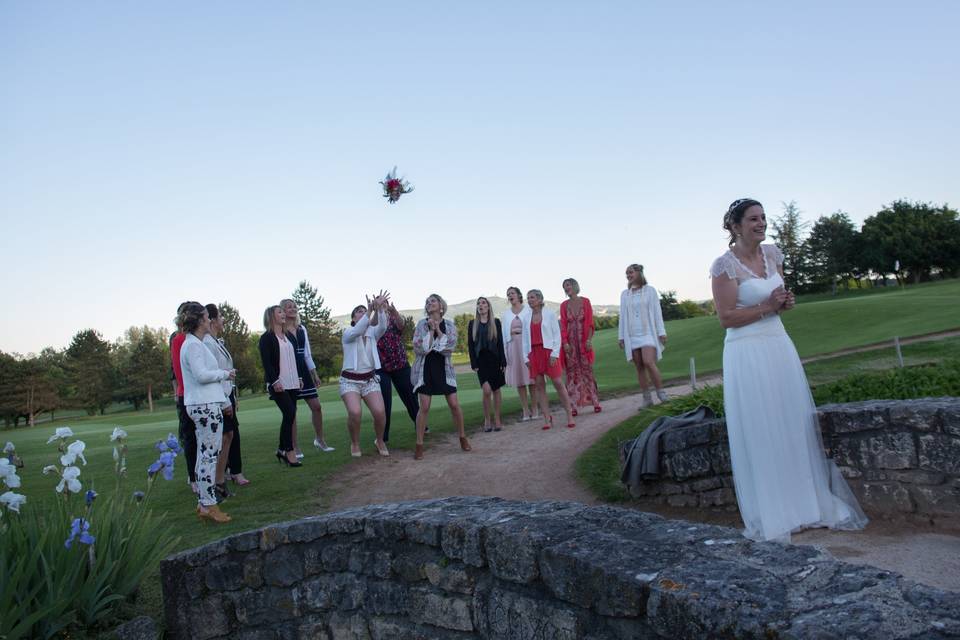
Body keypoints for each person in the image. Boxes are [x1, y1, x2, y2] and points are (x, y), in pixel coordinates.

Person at [711, 197, 867, 542]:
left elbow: (774, 298)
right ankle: (775, 511)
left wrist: (783, 303)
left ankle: (806, 505)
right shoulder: (724, 265)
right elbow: (726, 318)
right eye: (753, 219)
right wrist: (768, 307)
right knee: (762, 426)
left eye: (763, 217)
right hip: (746, 352)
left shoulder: (773, 254)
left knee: (790, 421)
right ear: (736, 226)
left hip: (778, 344)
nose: (761, 223)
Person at [179, 303, 235, 523]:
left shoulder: (195, 344)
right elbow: (201, 375)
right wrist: (224, 374)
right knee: (209, 456)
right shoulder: (193, 346)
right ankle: (208, 504)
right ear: (200, 320)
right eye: (205, 316)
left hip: (206, 403)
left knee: (207, 455)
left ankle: (206, 503)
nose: (209, 320)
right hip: (204, 405)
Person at [411, 293, 472, 459]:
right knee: (424, 407)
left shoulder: (450, 325)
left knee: (454, 404)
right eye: (428, 302)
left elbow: (449, 348)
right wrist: (431, 331)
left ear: (440, 305)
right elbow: (420, 348)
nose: (430, 303)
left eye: (433, 301)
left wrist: (437, 329)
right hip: (425, 369)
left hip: (444, 369)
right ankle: (419, 444)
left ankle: (462, 437)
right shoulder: (421, 325)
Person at [340, 292, 391, 458]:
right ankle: (354, 443)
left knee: (380, 413)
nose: (363, 312)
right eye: (359, 311)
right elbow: (359, 328)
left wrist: (381, 309)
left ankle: (379, 440)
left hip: (369, 380)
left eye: (364, 310)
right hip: (350, 381)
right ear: (353, 319)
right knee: (355, 412)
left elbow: (383, 326)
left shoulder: (372, 332)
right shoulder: (348, 333)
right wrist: (370, 311)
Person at [203, 304, 246, 498]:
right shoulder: (207, 343)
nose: (223, 320)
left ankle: (221, 481)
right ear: (211, 320)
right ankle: (217, 482)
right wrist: (223, 401)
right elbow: (212, 373)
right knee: (223, 437)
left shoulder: (215, 341)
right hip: (219, 397)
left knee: (228, 436)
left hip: (226, 393)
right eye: (220, 316)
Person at [280, 298, 334, 455]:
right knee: (292, 411)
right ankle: (295, 447)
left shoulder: (302, 328)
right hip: (289, 372)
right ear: (283, 310)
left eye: (295, 306)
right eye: (289, 307)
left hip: (304, 370)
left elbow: (307, 354)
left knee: (316, 406)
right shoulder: (280, 330)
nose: (293, 309)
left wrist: (314, 374)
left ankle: (319, 439)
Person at [522, 289, 575, 430]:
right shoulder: (526, 317)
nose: (530, 300)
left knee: (558, 382)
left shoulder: (550, 313)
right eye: (528, 298)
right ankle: (547, 418)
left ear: (540, 299)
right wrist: (525, 357)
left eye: (532, 297)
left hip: (549, 351)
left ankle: (569, 414)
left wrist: (555, 353)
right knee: (539, 386)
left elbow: (556, 336)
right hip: (533, 353)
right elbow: (524, 339)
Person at [618, 264, 668, 408]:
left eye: (631, 272)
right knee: (639, 366)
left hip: (647, 334)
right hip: (632, 335)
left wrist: (661, 331)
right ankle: (647, 399)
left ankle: (661, 393)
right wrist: (621, 337)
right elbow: (623, 316)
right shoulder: (625, 294)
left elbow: (657, 312)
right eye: (626, 273)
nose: (628, 275)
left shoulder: (650, 291)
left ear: (639, 273)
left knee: (648, 362)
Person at [258, 305, 302, 467]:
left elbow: (294, 359)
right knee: (289, 413)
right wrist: (275, 381)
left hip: (292, 383)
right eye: (280, 312)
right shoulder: (266, 338)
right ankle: (288, 451)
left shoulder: (289, 336)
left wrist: (299, 377)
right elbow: (267, 363)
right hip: (279, 383)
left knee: (290, 415)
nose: (283, 314)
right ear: (271, 317)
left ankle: (282, 449)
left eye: (283, 312)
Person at [376, 302, 420, 443]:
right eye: (379, 302)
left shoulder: (393, 318)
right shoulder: (373, 321)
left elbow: (402, 326)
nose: (382, 305)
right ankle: (384, 436)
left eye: (384, 302)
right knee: (384, 402)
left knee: (411, 397)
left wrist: (393, 310)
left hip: (400, 363)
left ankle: (420, 426)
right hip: (381, 367)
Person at [559, 278, 602, 415]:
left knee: (587, 371)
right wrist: (565, 343)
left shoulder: (585, 301)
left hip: (583, 342)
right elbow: (564, 326)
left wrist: (589, 340)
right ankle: (573, 406)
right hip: (571, 344)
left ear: (575, 286)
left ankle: (595, 402)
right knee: (572, 374)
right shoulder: (564, 305)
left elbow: (589, 322)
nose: (566, 288)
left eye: (568, 285)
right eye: (564, 286)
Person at [170, 301, 198, 494]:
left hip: (197, 395)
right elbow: (179, 372)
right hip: (188, 395)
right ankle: (193, 476)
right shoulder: (179, 339)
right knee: (190, 438)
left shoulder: (195, 338)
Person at [468, 297, 507, 432]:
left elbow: (500, 343)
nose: (481, 305)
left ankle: (497, 418)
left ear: (488, 307)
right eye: (478, 303)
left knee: (496, 390)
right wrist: (473, 362)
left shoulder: (496, 322)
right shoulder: (472, 324)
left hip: (495, 359)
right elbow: (471, 346)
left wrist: (503, 360)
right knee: (486, 390)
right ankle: (487, 419)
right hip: (481, 360)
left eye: (483, 303)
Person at [501, 286, 538, 421]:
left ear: (518, 295)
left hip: (527, 345)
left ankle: (535, 408)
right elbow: (503, 334)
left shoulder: (528, 310)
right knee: (520, 381)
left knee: (531, 379)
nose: (510, 296)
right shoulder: (505, 314)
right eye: (508, 294)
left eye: (512, 293)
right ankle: (525, 410)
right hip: (513, 346)